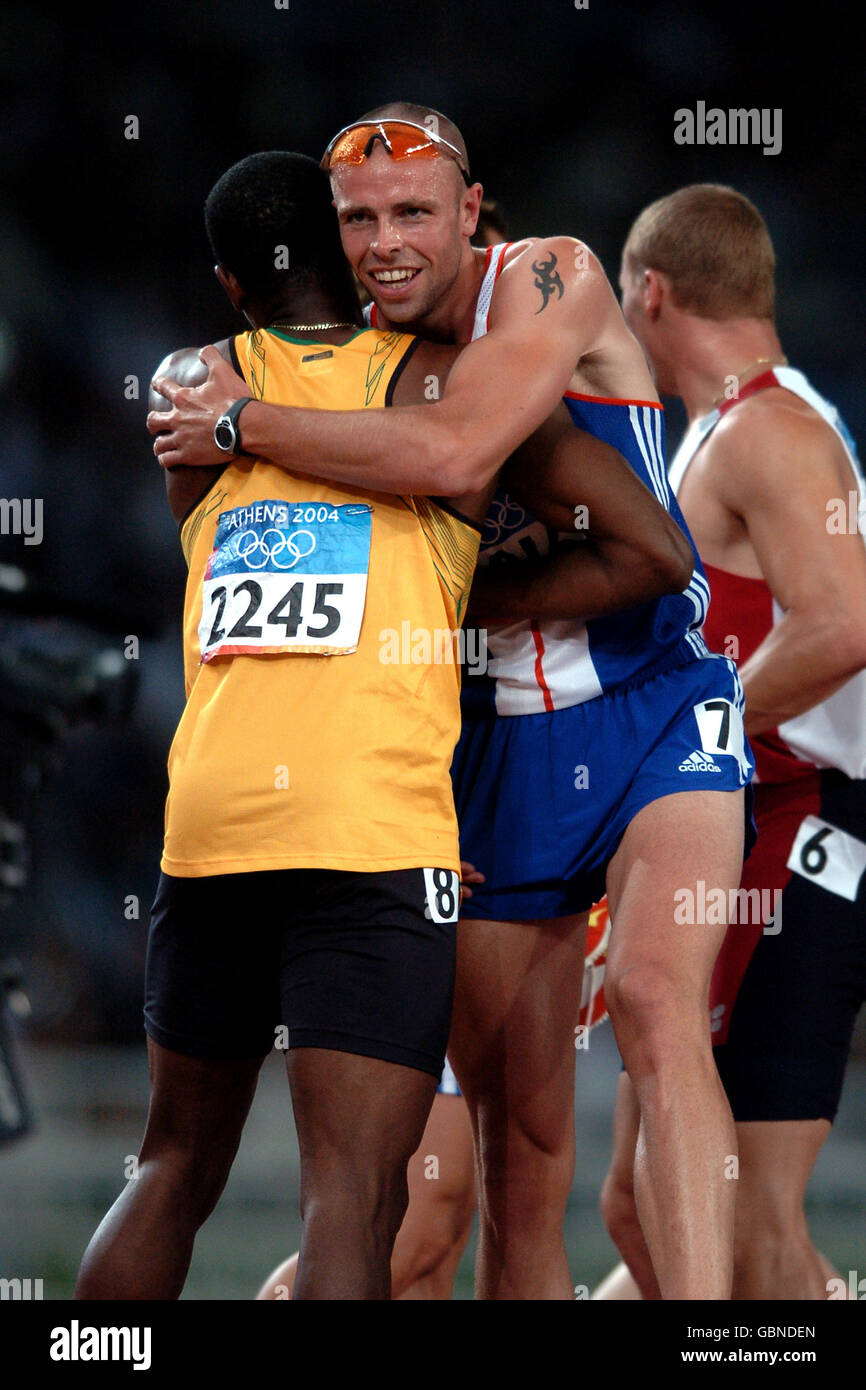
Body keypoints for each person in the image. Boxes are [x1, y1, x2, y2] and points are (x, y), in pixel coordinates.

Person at [148, 104, 754, 1300]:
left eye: (414, 211)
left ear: (470, 211)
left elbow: (464, 454)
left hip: (646, 699)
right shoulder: (365, 358)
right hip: (478, 744)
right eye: (359, 219)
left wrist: (231, 417)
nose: (385, 240)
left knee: (648, 995)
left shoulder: (545, 278)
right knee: (507, 1157)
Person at [598, 183, 866, 1300]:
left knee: (749, 1225)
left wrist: (694, 740)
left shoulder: (770, 430)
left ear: (649, 291)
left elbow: (846, 622)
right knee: (642, 1206)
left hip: (802, 829)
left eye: (621, 301)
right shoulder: (725, 429)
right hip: (739, 831)